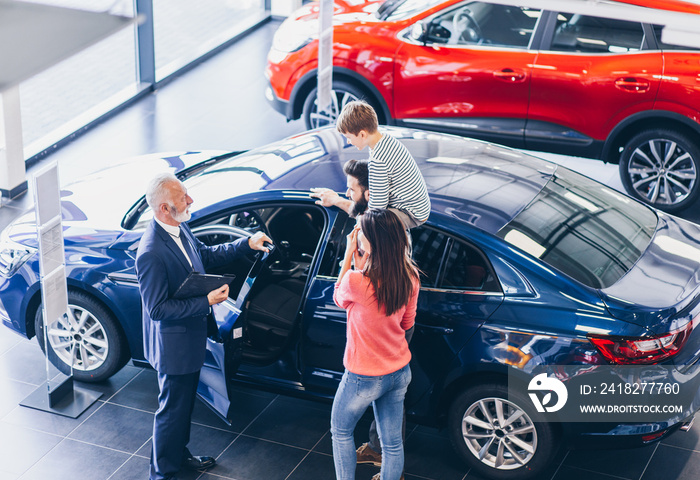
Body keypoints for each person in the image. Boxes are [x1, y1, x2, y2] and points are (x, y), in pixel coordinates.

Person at [136, 172, 271, 480]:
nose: (191, 200)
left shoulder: (178, 229)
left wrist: (245, 244)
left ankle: (179, 457)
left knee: (182, 409)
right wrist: (207, 301)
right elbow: (157, 309)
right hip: (174, 348)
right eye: (184, 198)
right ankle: (162, 473)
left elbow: (204, 255)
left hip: (191, 339)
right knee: (171, 412)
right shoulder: (151, 253)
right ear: (164, 209)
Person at [331, 209, 420, 480]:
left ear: (373, 242)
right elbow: (407, 324)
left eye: (360, 232)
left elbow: (338, 297)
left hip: (363, 377)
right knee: (392, 443)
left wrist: (348, 255)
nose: (356, 235)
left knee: (341, 432)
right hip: (399, 371)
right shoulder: (410, 276)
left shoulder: (356, 280)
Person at [335, 100, 430, 230]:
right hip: (420, 206)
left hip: (410, 214)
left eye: (349, 137)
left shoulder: (378, 160)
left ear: (362, 134)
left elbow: (378, 208)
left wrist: (362, 221)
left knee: (369, 223)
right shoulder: (386, 140)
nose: (348, 141)